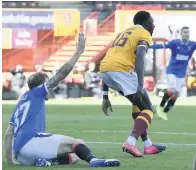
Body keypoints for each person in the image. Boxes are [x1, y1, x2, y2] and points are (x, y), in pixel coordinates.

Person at [4, 33, 120, 167]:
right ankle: (94, 160)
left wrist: (10, 161)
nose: (51, 89)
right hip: (31, 143)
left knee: (75, 155)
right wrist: (78, 53)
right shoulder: (37, 92)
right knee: (77, 143)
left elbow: (8, 134)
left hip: (22, 156)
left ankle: (46, 162)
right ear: (41, 85)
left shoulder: (22, 101)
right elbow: (60, 74)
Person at [99, 11, 166, 157]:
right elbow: (140, 56)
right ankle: (131, 141)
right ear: (147, 22)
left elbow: (109, 61)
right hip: (121, 71)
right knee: (148, 109)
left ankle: (148, 145)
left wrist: (105, 96)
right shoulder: (144, 33)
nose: (153, 24)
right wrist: (140, 84)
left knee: (137, 104)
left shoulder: (123, 33)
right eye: (152, 21)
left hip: (105, 70)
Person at [150, 26, 196, 120]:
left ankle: (164, 112)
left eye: (188, 32)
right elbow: (161, 46)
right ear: (181, 34)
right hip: (172, 71)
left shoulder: (192, 44)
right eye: (185, 32)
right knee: (173, 90)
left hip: (181, 73)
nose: (187, 34)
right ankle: (160, 106)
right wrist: (147, 46)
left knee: (176, 94)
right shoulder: (175, 43)